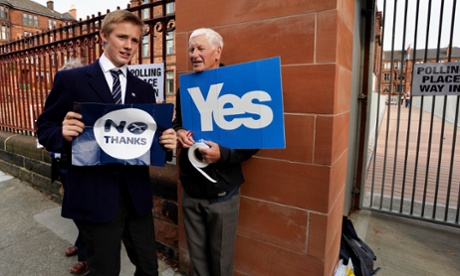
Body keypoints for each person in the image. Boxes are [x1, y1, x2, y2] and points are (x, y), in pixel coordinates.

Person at [36, 10, 176, 276]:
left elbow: (147, 139)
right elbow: (45, 128)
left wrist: (166, 141)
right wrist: (62, 133)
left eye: (135, 40)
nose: (128, 46)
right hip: (94, 195)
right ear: (103, 36)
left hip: (136, 195)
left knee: (148, 267)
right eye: (122, 37)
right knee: (105, 270)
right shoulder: (72, 80)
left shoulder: (143, 89)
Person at [172, 28, 259, 276]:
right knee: (198, 265)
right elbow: (178, 122)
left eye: (200, 48)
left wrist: (224, 155)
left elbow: (255, 140)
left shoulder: (238, 87)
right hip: (191, 191)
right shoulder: (184, 89)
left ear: (217, 51)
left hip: (223, 193)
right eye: (191, 49)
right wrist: (178, 132)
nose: (194, 54)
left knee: (221, 264)